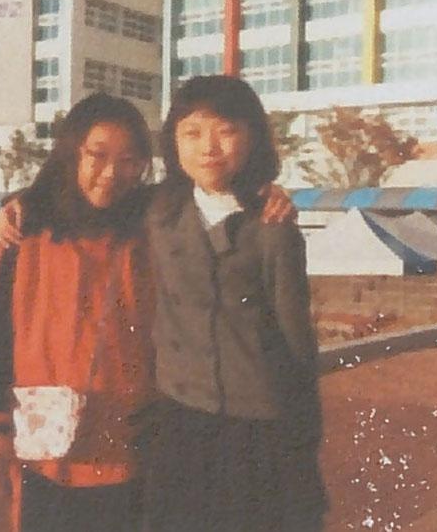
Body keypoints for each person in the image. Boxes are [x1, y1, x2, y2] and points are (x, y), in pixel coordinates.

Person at [0, 93, 156, 532]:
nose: (111, 173)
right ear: (72, 153)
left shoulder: (154, 229)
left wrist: (261, 192)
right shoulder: (29, 231)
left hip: (128, 447)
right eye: (97, 155)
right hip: (44, 450)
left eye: (128, 160)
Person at [143, 75, 325, 531]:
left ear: (252, 137)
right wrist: (20, 202)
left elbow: (296, 339)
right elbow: (88, 197)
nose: (209, 147)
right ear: (173, 142)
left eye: (225, 131)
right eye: (192, 132)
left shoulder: (273, 225)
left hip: (257, 424)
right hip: (179, 417)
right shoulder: (157, 211)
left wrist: (304, 436)